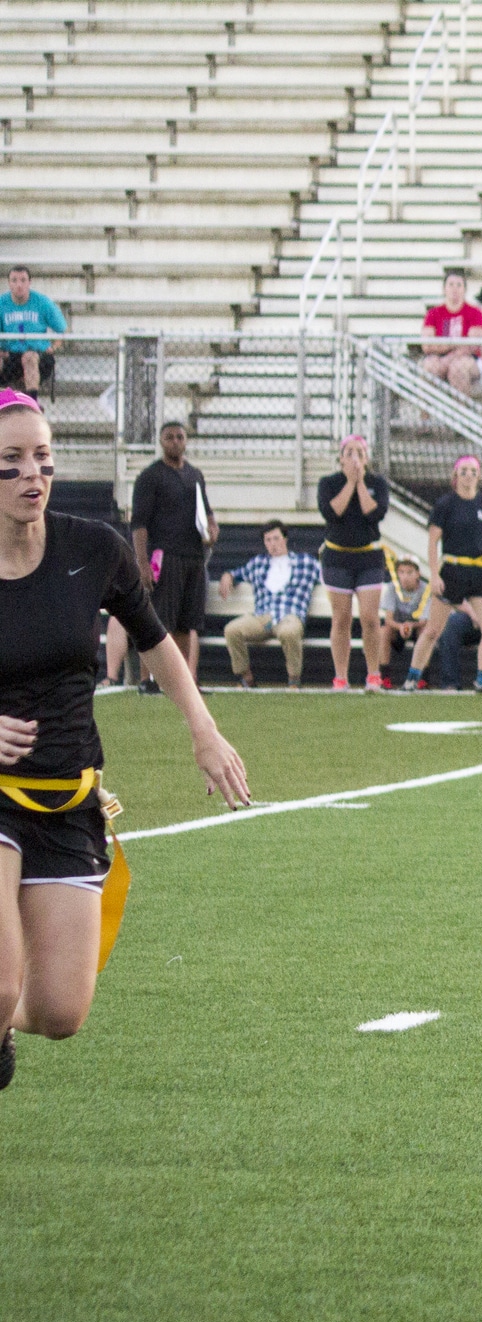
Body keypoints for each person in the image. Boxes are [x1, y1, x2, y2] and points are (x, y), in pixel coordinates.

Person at [0, 390, 250, 1091]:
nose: (32, 475)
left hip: (70, 794)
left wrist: (203, 729)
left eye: (42, 458)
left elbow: (155, 641)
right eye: (12, 461)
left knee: (58, 1010)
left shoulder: (93, 548)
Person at [127, 420, 217, 682]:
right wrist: (142, 563)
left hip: (193, 557)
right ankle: (147, 679)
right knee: (158, 621)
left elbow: (207, 513)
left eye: (180, 437)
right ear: (161, 441)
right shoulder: (150, 477)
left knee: (186, 624)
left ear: (186, 440)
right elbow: (139, 524)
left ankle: (180, 680)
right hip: (165, 557)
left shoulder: (195, 475)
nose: (175, 442)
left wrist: (212, 529)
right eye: (169, 437)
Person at [406, 455, 482, 692]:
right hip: (452, 569)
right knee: (433, 629)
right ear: (455, 476)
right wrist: (435, 575)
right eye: (464, 471)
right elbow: (432, 542)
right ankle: (412, 678)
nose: (468, 475)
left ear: (479, 476)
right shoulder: (446, 505)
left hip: (478, 570)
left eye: (473, 471)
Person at [316, 434, 392, 691]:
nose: (354, 457)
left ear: (367, 458)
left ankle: (373, 675)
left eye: (360, 452)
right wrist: (350, 482)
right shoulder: (328, 483)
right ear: (340, 458)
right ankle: (340, 677)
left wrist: (360, 484)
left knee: (370, 618)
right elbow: (332, 512)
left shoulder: (377, 483)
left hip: (369, 557)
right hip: (337, 557)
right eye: (349, 452)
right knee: (341, 618)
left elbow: (375, 513)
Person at [217, 519, 317, 688]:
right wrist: (228, 576)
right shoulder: (258, 563)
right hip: (263, 617)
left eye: (276, 538)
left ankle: (294, 681)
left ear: (285, 539)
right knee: (232, 630)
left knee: (289, 632)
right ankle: (246, 678)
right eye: (268, 540)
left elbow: (328, 577)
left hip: (289, 615)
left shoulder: (305, 562)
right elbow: (237, 573)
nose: (273, 544)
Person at [419, 273, 482, 397]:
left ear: (465, 290)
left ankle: (460, 412)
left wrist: (446, 354)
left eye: (459, 285)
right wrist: (456, 343)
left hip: (468, 359)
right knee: (430, 366)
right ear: (444, 289)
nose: (454, 289)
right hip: (438, 358)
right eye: (451, 284)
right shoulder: (433, 313)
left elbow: (471, 346)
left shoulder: (475, 312)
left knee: (458, 368)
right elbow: (427, 346)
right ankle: (428, 415)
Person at [2, 267, 65, 397]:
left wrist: (53, 348)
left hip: (38, 355)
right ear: (9, 283)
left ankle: (32, 402)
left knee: (29, 357)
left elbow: (62, 330)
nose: (19, 285)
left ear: (30, 282)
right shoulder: (2, 303)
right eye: (14, 280)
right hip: (11, 355)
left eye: (23, 280)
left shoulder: (42, 302)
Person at [376, 557, 431, 679]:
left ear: (418, 574)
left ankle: (422, 677)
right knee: (383, 632)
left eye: (409, 572)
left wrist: (410, 625)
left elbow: (424, 620)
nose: (405, 577)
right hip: (397, 629)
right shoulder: (392, 587)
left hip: (417, 628)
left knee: (425, 632)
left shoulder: (426, 589)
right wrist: (401, 626)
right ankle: (385, 676)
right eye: (401, 572)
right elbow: (388, 619)